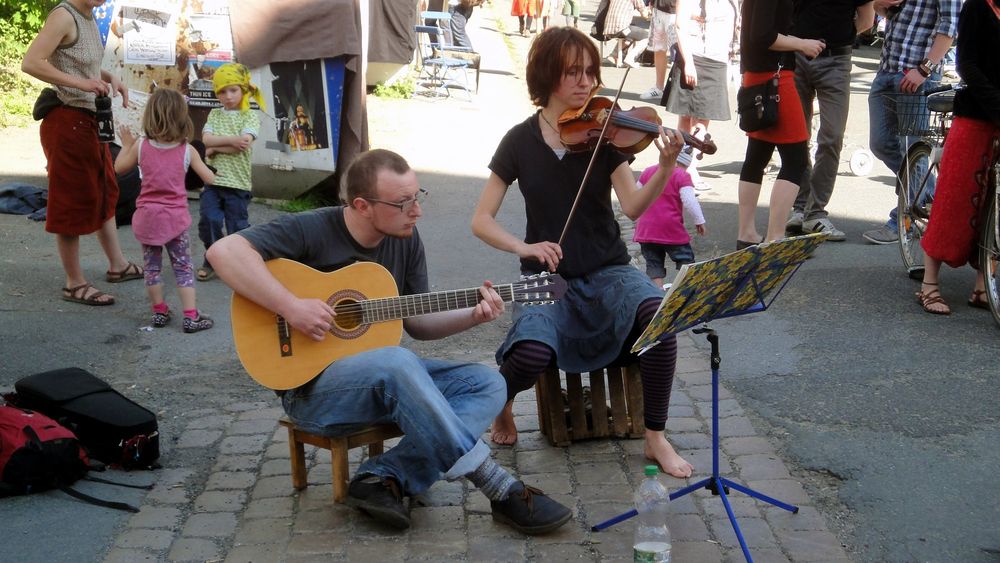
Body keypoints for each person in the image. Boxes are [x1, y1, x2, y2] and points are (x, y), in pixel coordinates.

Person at [207, 149, 573, 534]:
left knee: (489, 383)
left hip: (384, 386)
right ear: (362, 205)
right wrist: (291, 306)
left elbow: (418, 322)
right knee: (396, 361)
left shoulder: (406, 240)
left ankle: (385, 478)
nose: (417, 211)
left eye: (418, 196)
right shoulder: (311, 229)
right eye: (403, 203)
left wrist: (472, 315)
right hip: (312, 393)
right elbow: (223, 251)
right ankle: (498, 486)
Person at [470, 27, 694, 478]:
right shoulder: (519, 141)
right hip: (545, 277)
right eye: (573, 71)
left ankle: (655, 437)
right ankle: (504, 403)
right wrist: (526, 246)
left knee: (659, 320)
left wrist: (666, 166)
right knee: (530, 355)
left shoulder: (605, 136)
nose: (586, 81)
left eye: (591, 71)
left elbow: (632, 205)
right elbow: (481, 220)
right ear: (547, 74)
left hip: (608, 269)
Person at [21, 0, 143, 307]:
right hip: (66, 120)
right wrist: (82, 83)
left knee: (105, 188)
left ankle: (117, 266)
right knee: (71, 200)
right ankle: (74, 283)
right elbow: (32, 62)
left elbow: (77, 62)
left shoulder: (88, 16)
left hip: (89, 120)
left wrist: (106, 76)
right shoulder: (64, 15)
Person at [916, 0, 1000, 315]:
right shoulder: (978, 7)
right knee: (955, 196)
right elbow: (967, 65)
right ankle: (929, 284)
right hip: (975, 114)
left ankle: (982, 286)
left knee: (994, 200)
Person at [113, 89, 217, 333]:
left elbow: (119, 168)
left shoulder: (141, 146)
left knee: (151, 268)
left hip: (148, 218)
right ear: (183, 118)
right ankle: (190, 316)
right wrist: (210, 167)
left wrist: (127, 145)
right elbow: (208, 179)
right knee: (182, 268)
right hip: (175, 221)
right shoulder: (187, 150)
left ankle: (159, 312)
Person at [861, 0, 959, 245]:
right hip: (888, 68)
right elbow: (885, 11)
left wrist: (924, 69)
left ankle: (903, 221)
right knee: (881, 143)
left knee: (912, 148)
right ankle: (932, 195)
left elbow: (950, 27)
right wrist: (881, 5)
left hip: (917, 75)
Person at [736, 0, 825, 248]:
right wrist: (802, 44)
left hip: (757, 78)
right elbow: (763, 35)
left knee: (757, 156)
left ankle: (747, 234)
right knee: (795, 160)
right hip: (775, 79)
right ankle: (775, 238)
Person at [785, 0, 875, 242]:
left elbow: (867, 20)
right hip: (796, 56)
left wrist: (839, 35)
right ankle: (800, 207)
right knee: (796, 136)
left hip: (835, 59)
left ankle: (814, 212)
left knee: (832, 136)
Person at [197, 62, 262, 281]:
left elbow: (244, 143)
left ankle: (240, 261)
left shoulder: (249, 115)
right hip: (212, 181)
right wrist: (228, 142)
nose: (228, 96)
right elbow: (205, 140)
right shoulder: (215, 114)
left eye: (233, 90)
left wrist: (216, 147)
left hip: (238, 184)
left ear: (243, 89)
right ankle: (213, 257)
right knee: (209, 220)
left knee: (238, 227)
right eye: (222, 91)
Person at [663, 0, 738, 190]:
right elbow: (680, 25)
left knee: (701, 121)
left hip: (718, 59)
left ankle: (687, 167)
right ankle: (685, 168)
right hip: (694, 56)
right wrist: (688, 62)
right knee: (686, 117)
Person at [634, 147, 707, 287]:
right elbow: (689, 201)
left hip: (646, 230)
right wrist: (699, 220)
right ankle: (684, 290)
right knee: (685, 260)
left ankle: (657, 294)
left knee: (654, 264)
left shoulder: (648, 171)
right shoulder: (681, 175)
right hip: (671, 229)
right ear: (684, 163)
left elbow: (636, 195)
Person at [639, 0, 677, 100]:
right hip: (659, 8)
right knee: (658, 48)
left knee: (678, 52)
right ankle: (659, 87)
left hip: (679, 11)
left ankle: (677, 89)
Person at [604, 0, 652, 68]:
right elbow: (644, 14)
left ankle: (613, 55)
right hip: (621, 28)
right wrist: (650, 13)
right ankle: (630, 58)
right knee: (648, 36)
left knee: (631, 33)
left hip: (608, 28)